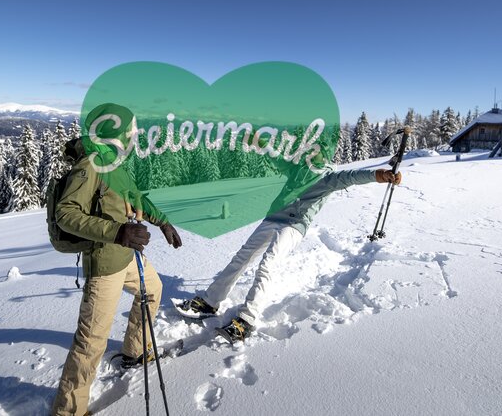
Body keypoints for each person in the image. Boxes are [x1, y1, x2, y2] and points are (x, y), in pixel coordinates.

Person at [175, 156, 401, 343]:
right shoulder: (299, 165)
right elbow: (274, 157)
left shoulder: (329, 177)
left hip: (294, 225)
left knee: (267, 265)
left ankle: (246, 320)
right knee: (241, 258)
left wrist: (378, 175)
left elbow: (350, 177)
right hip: (273, 217)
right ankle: (210, 301)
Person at [50, 103, 183, 416]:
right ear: (117, 132)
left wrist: (161, 221)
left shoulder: (114, 163)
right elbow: (65, 214)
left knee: (153, 290)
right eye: (131, 130)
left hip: (127, 258)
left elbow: (136, 198)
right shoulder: (91, 164)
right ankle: (68, 410)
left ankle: (135, 351)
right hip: (105, 263)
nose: (134, 136)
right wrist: (117, 232)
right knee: (91, 341)